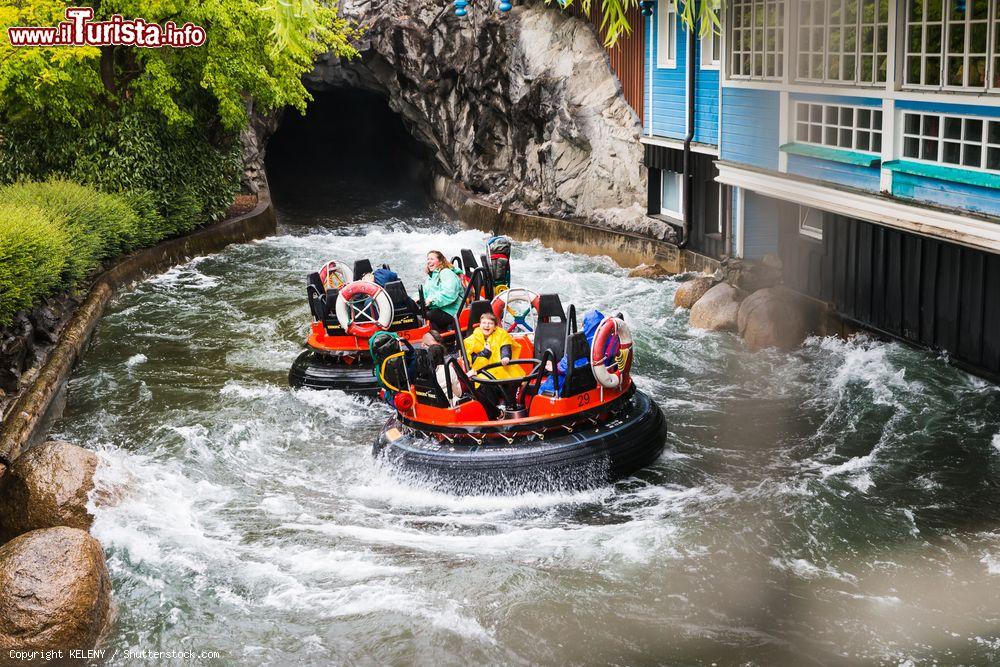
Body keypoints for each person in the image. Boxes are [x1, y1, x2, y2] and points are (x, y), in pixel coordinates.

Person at [538, 309, 605, 395]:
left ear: (586, 325)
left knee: (546, 386)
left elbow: (566, 367)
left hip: (573, 385)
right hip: (597, 381)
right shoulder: (609, 338)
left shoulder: (581, 342)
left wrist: (554, 367)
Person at [421, 250, 464, 340]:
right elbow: (425, 292)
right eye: (428, 259)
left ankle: (441, 340)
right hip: (441, 307)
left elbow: (450, 293)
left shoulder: (446, 273)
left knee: (429, 315)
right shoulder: (431, 277)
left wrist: (432, 300)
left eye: (432, 259)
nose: (429, 261)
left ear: (440, 261)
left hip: (453, 310)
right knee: (418, 312)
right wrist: (418, 298)